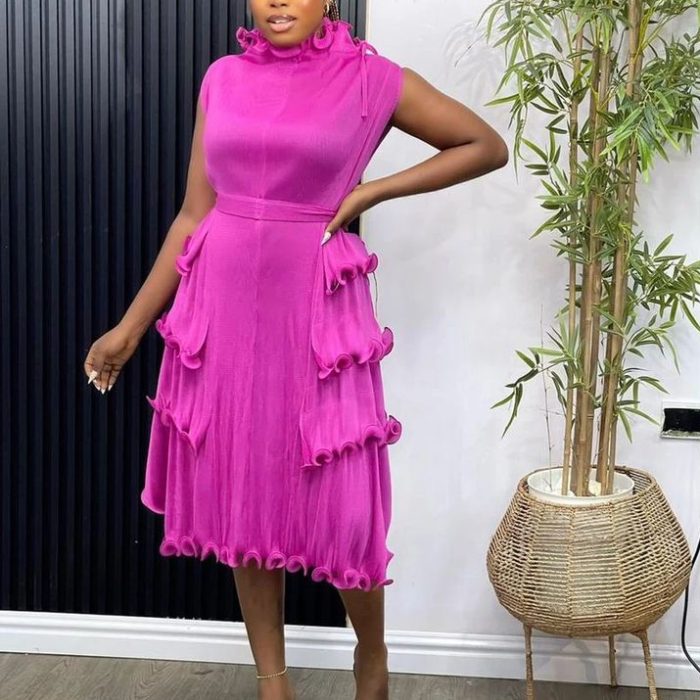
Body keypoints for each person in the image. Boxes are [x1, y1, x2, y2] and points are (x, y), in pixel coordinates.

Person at [82, 2, 508, 699]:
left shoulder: (373, 80)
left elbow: (483, 145)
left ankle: (372, 656)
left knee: (345, 507)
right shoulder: (222, 78)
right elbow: (194, 213)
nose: (278, 1)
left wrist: (371, 191)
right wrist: (130, 327)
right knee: (247, 498)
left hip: (315, 310)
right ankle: (273, 685)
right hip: (222, 306)